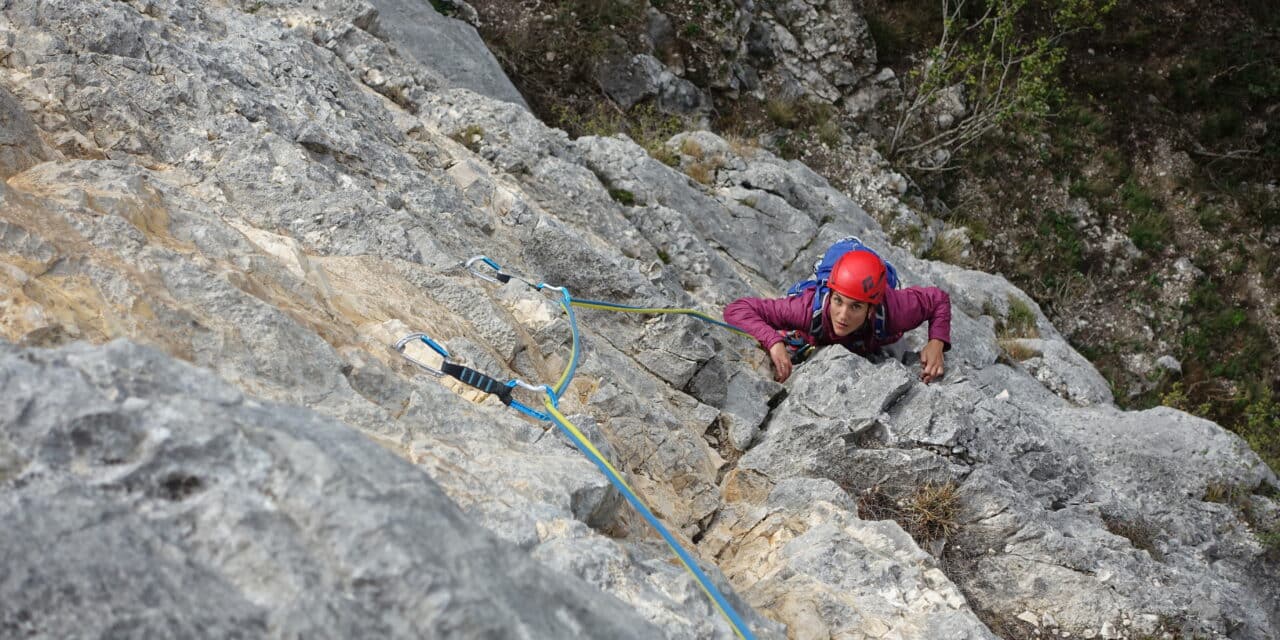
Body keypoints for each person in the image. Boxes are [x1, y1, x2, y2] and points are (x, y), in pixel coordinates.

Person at [724, 249, 951, 383]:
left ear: (871, 309)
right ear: (829, 294)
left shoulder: (895, 310)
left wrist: (936, 342)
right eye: (838, 301)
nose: (842, 315)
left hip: (875, 336)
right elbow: (737, 309)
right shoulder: (804, 309)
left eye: (855, 307)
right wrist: (773, 341)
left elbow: (938, 299)